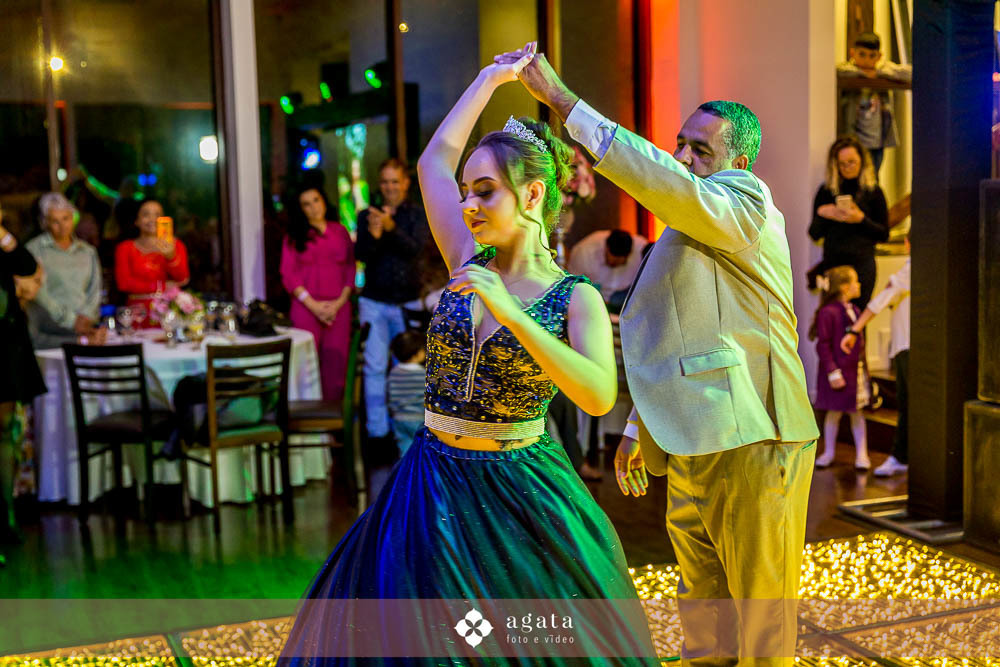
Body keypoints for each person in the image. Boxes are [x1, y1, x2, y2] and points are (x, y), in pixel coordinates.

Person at [279, 47, 657, 665]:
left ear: (532, 194)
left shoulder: (576, 296)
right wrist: (486, 80)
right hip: (430, 481)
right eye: (465, 193)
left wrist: (514, 316)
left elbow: (597, 396)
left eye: (485, 192)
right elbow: (433, 162)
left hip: (519, 489)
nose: (468, 207)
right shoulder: (465, 257)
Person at [499, 41, 819, 664]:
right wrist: (636, 428)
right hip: (691, 436)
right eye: (681, 144)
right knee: (703, 609)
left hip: (755, 435)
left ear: (739, 163)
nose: (684, 158)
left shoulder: (746, 203)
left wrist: (564, 103)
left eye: (702, 149)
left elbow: (669, 184)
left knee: (762, 622)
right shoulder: (687, 225)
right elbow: (676, 332)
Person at [354, 159, 430, 446]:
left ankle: (411, 432)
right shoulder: (366, 215)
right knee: (374, 367)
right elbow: (361, 256)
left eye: (395, 181)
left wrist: (391, 228)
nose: (390, 187)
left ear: (406, 183)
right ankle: (378, 433)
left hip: (406, 303)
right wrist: (374, 236)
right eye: (385, 182)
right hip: (374, 301)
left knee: (409, 368)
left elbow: (416, 250)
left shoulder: (417, 215)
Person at [0, 205, 47, 559]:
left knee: (4, 432)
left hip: (4, 347)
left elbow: (27, 266)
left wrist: (3, 236)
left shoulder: (3, 244)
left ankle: (6, 516)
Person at [842, 238, 910, 476]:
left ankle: (900, 456)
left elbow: (882, 300)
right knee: (906, 403)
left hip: (908, 345)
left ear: (907, 243)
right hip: (904, 345)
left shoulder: (913, 267)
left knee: (908, 404)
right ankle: (902, 455)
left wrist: (854, 330)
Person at [281, 187, 355, 402]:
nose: (313, 207)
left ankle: (333, 419)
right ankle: (307, 418)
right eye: (307, 204)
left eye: (316, 200)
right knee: (304, 365)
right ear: (301, 209)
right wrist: (313, 305)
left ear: (324, 201)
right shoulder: (294, 236)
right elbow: (288, 273)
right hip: (306, 308)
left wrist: (339, 303)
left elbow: (350, 268)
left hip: (338, 308)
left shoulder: (340, 231)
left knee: (336, 364)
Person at [808, 136, 889, 309]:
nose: (847, 168)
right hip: (834, 266)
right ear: (835, 165)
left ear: (862, 161)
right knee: (832, 317)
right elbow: (814, 234)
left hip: (862, 268)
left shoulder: (873, 192)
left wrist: (861, 219)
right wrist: (825, 214)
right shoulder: (826, 192)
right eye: (842, 164)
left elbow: (884, 234)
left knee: (857, 318)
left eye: (851, 162)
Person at [24, 193, 105, 349]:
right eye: (55, 221)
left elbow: (95, 289)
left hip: (85, 327)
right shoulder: (34, 250)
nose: (62, 226)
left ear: (73, 218)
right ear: (45, 222)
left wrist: (86, 317)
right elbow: (38, 293)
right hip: (50, 329)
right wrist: (71, 320)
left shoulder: (87, 251)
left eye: (66, 218)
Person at [810, 266, 870, 469]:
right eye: (855, 281)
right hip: (838, 373)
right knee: (833, 413)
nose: (859, 285)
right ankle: (828, 452)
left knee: (857, 413)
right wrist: (833, 371)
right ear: (844, 287)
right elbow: (823, 345)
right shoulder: (829, 313)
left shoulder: (855, 311)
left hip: (854, 373)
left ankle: (862, 454)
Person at [837, 31, 911, 175]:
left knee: (873, 177)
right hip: (854, 139)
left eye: (872, 56)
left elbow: (909, 73)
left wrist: (880, 71)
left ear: (879, 56)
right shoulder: (848, 72)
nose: (866, 60)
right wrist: (863, 73)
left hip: (877, 141)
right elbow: (838, 70)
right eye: (862, 54)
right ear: (852, 53)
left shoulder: (882, 72)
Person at [114, 198, 190, 327]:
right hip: (137, 314)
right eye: (146, 214)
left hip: (169, 313)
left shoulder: (176, 245)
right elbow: (124, 283)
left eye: (157, 215)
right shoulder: (125, 248)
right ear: (136, 220)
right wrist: (161, 286)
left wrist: (170, 256)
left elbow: (183, 279)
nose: (152, 219)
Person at [568, 228, 648, 303]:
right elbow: (573, 285)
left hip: (627, 294)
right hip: (593, 296)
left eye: (620, 262)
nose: (616, 263)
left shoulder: (642, 248)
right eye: (613, 261)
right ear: (606, 248)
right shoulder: (583, 253)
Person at [386, 329, 426, 455]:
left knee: (405, 450)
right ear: (417, 353)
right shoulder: (423, 374)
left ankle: (405, 467)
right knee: (421, 451)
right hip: (419, 419)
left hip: (399, 419)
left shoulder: (393, 372)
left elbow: (390, 395)